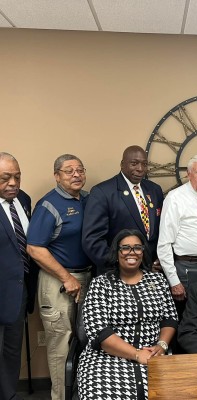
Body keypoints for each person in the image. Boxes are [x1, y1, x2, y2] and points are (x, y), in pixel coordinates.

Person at [78, 229, 178, 400]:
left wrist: (161, 346)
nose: (132, 253)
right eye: (125, 248)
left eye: (137, 248)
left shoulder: (158, 280)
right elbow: (100, 333)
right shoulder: (100, 284)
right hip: (106, 359)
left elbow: (170, 319)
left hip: (153, 356)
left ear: (143, 253)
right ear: (116, 253)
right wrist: (137, 354)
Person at [27, 154, 92, 400]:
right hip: (58, 282)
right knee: (61, 346)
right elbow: (34, 248)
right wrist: (66, 278)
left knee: (85, 341)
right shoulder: (48, 205)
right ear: (57, 176)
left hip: (86, 277)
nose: (76, 175)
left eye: (80, 169)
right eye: (69, 171)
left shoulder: (88, 199)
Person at [82, 145, 163, 275]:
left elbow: (159, 232)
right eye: (134, 164)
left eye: (144, 164)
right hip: (117, 273)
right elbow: (92, 240)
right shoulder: (103, 192)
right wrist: (123, 264)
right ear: (122, 164)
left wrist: (159, 260)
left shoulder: (154, 190)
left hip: (151, 273)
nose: (140, 169)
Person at [157, 154, 197, 303]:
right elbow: (164, 243)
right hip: (185, 269)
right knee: (189, 315)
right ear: (189, 173)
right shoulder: (175, 199)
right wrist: (174, 281)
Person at [0, 152, 38, 400]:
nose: (13, 183)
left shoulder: (23, 200)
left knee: (12, 352)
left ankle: (9, 394)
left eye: (17, 176)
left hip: (19, 293)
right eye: (5, 178)